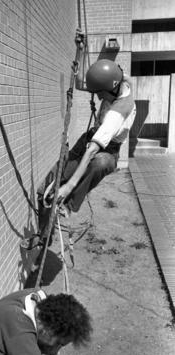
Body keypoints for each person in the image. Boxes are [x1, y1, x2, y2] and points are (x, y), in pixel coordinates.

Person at [24, 59, 136, 249]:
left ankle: (67, 204)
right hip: (88, 140)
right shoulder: (118, 82)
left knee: (99, 163)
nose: (99, 98)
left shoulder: (117, 113)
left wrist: (69, 187)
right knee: (46, 189)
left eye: (100, 93)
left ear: (111, 88)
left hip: (107, 152)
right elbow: (86, 84)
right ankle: (44, 236)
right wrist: (79, 59)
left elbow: (93, 150)